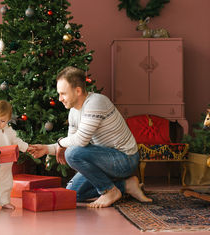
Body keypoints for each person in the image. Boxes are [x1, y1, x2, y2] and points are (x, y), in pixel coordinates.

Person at [28, 66, 152, 208]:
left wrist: (61, 144)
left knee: (72, 154)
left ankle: (109, 191)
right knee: (73, 193)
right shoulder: (73, 112)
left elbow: (80, 141)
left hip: (125, 159)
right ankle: (126, 186)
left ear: (78, 91)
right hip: (104, 161)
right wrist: (47, 149)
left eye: (63, 94)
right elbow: (72, 141)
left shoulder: (96, 102)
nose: (60, 99)